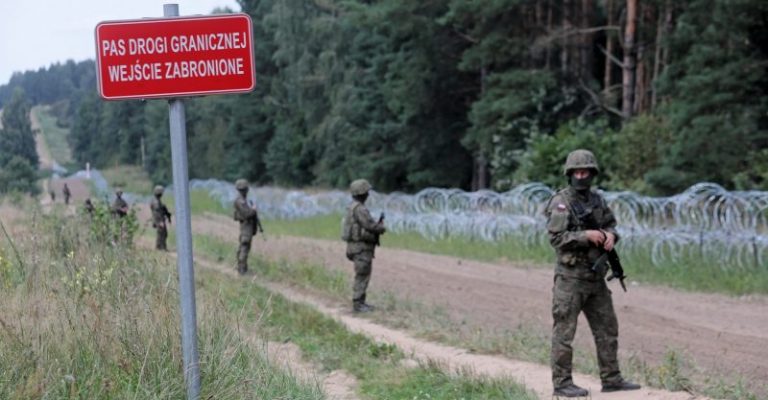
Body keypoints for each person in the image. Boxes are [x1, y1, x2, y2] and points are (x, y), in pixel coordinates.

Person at [544, 149, 641, 397]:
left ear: (592, 173)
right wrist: (585, 235)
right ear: (569, 173)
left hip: (595, 277)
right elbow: (556, 238)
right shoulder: (561, 202)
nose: (581, 175)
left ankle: (612, 379)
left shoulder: (598, 200)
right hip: (571, 278)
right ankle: (562, 383)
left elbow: (610, 225)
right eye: (577, 171)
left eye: (585, 171)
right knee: (564, 332)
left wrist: (611, 236)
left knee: (608, 329)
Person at [341, 179, 386, 313]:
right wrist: (381, 228)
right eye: (366, 192)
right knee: (362, 274)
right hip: (361, 247)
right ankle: (358, 304)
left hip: (354, 246)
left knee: (362, 273)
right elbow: (370, 225)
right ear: (362, 193)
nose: (368, 195)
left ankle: (360, 302)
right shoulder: (360, 209)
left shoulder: (351, 207)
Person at [232, 179, 261, 275]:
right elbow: (246, 214)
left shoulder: (242, 200)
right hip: (246, 228)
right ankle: (242, 270)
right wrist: (254, 210)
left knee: (244, 247)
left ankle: (242, 267)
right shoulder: (240, 201)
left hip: (246, 227)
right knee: (244, 247)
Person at [150, 185, 172, 251]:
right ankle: (160, 247)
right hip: (159, 220)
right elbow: (157, 213)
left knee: (163, 233)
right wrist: (160, 222)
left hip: (159, 219)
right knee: (161, 233)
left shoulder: (157, 201)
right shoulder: (156, 202)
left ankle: (161, 247)